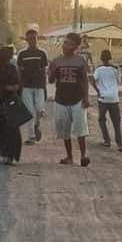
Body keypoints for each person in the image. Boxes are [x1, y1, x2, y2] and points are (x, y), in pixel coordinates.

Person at [48, 32, 91, 167]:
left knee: (80, 129)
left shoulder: (80, 61)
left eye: (69, 44)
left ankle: (83, 155)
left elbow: (85, 80)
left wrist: (86, 97)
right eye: (65, 43)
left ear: (75, 47)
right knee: (64, 130)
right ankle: (70, 156)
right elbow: (51, 80)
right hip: (61, 99)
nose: (65, 46)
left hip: (77, 99)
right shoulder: (56, 61)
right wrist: (51, 71)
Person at [17, 28, 49, 145]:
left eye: (34, 38)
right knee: (29, 111)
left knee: (40, 109)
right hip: (26, 86)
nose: (32, 41)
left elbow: (44, 71)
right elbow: (19, 71)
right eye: (30, 39)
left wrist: (45, 87)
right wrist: (19, 87)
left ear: (37, 39)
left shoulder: (42, 53)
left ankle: (37, 125)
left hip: (39, 85)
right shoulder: (22, 54)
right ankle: (31, 136)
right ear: (27, 40)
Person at [91, 49, 122, 151]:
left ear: (101, 58)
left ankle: (107, 141)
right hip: (114, 99)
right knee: (116, 122)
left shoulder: (99, 69)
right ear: (110, 58)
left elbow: (93, 80)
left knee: (102, 120)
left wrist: (98, 91)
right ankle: (119, 144)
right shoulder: (115, 69)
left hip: (103, 99)